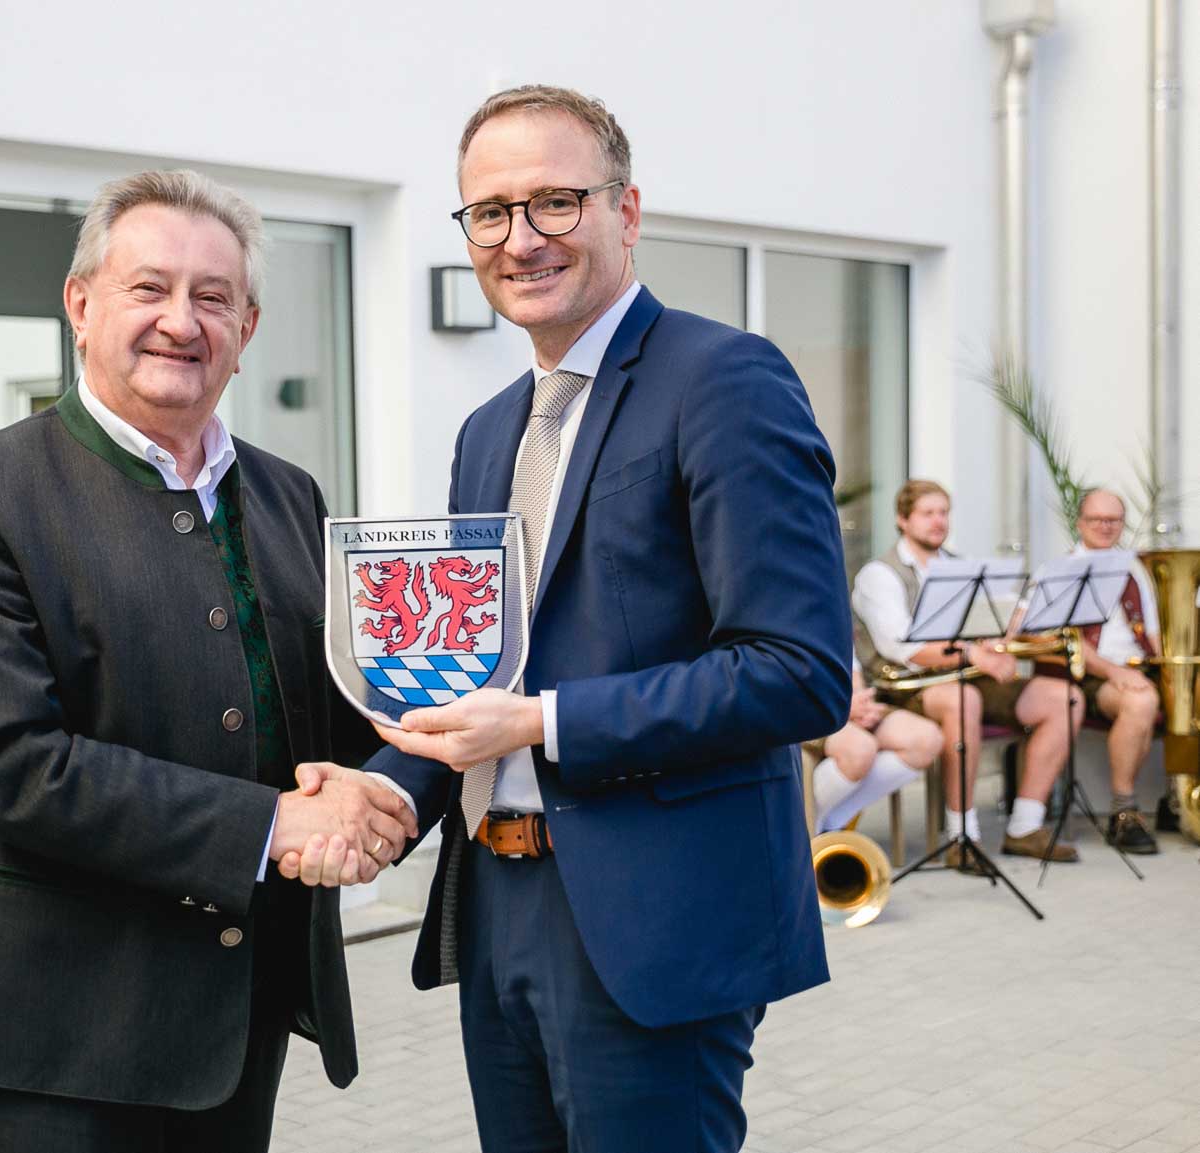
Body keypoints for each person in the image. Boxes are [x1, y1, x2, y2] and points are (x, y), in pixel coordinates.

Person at [290, 85, 851, 1153]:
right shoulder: (484, 429)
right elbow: (474, 678)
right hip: (495, 899)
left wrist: (543, 723)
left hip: (651, 919)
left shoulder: (722, 379)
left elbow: (796, 670)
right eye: (490, 212)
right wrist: (385, 776)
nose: (521, 238)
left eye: (556, 201)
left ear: (625, 210)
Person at [0, 169, 415, 1153]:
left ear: (247, 327)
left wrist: (387, 782)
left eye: (211, 296)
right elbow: (10, 766)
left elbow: (340, 711)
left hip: (236, 1008)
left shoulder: (288, 496)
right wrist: (276, 822)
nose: (180, 320)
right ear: (82, 305)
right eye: (149, 288)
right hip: (60, 1029)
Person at [852, 479, 1083, 866]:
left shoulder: (960, 567)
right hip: (906, 685)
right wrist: (977, 655)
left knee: (1064, 699)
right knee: (964, 701)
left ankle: (1025, 826)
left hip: (964, 675)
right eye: (928, 513)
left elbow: (986, 622)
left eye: (943, 512)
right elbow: (901, 648)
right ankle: (962, 837)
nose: (938, 521)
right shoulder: (880, 574)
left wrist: (1009, 633)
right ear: (902, 519)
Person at [1068, 488, 1163, 853]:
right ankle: (1123, 812)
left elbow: (1150, 630)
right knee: (1140, 703)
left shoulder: (1133, 566)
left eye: (1114, 520)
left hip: (1137, 668)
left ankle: (1178, 803)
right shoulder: (1068, 569)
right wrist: (1116, 673)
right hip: (1092, 675)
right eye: (1097, 519)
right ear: (1080, 523)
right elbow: (1072, 642)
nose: (1106, 527)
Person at [808, 659, 945, 832]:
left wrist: (860, 701)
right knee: (859, 750)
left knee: (927, 740)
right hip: (809, 709)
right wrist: (842, 707)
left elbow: (850, 663)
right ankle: (810, 826)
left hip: (843, 701)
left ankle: (833, 821)